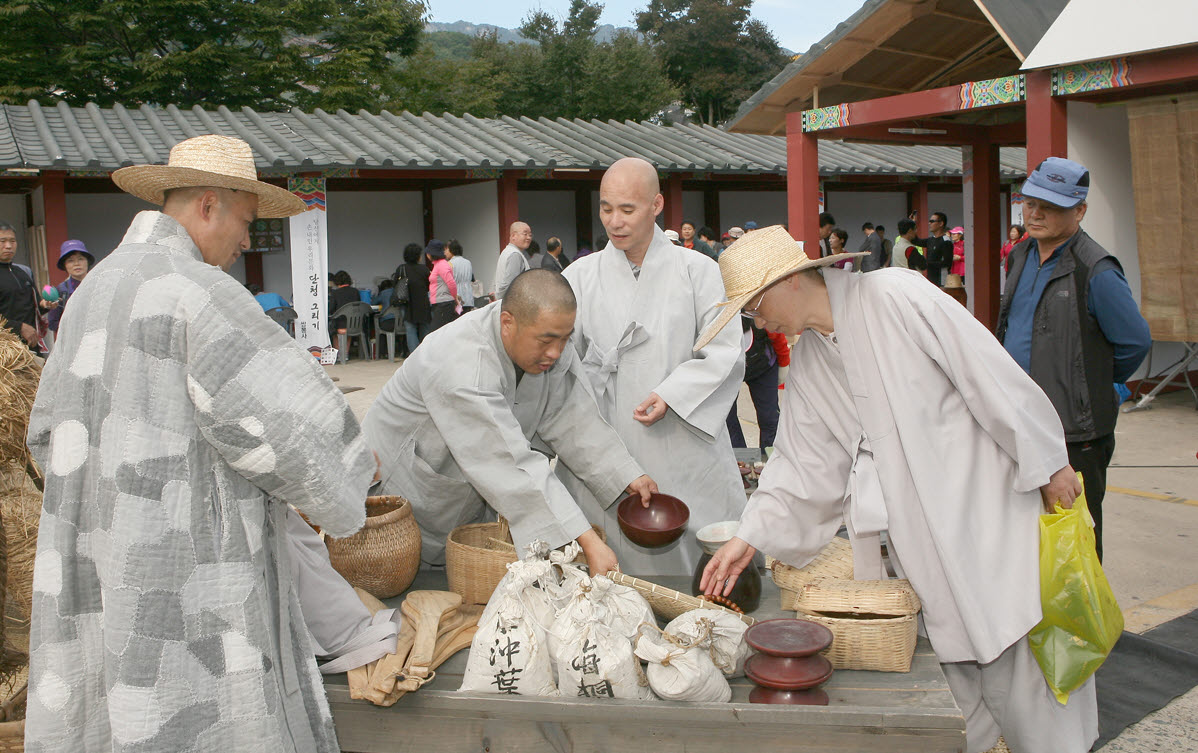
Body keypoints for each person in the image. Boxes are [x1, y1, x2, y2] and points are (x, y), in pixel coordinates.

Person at [25, 134, 376, 753]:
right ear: (209, 205)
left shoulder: (93, 292)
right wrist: (354, 469)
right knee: (198, 706)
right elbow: (291, 425)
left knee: (114, 700)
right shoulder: (200, 292)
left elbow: (46, 433)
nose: (247, 243)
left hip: (99, 546)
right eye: (246, 222)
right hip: (183, 561)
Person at [697, 225, 1097, 753]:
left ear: (788, 282)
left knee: (1023, 658)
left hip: (981, 513)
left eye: (754, 305)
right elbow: (802, 465)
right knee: (948, 670)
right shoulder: (813, 358)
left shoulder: (896, 295)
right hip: (916, 537)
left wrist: (1048, 465)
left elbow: (988, 375)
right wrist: (750, 536)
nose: (757, 320)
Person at [362, 269, 658, 574]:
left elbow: (572, 417)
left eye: (565, 339)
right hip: (401, 498)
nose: (556, 352)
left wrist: (624, 474)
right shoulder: (461, 361)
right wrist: (585, 541)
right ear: (508, 323)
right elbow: (507, 459)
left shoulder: (547, 341)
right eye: (547, 341)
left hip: (458, 501)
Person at [559, 157, 747, 576]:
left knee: (692, 537)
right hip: (607, 429)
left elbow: (725, 350)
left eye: (627, 209)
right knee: (607, 556)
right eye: (606, 208)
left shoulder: (699, 270)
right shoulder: (580, 275)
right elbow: (560, 360)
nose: (614, 221)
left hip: (677, 428)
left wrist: (671, 393)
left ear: (657, 204)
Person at [998, 157, 1152, 562]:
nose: (1036, 214)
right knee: (1025, 535)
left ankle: (1081, 626)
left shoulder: (1095, 269)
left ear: (1080, 210)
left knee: (1075, 542)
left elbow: (1134, 341)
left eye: (1050, 206)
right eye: (1031, 203)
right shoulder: (1019, 255)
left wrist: (1092, 383)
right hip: (1021, 421)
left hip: (1074, 431)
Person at [725, 315, 788, 454]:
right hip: (729, 371)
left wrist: (784, 364)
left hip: (764, 366)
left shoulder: (759, 317)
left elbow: (779, 338)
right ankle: (741, 462)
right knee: (728, 419)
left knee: (769, 417)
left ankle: (771, 457)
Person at [0, 221, 39, 348]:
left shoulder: (24, 271)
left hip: (30, 345)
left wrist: (47, 305)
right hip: (6, 351)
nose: (8, 246)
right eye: (3, 241)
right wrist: (19, 327)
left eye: (12, 241)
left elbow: (36, 306)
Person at [46, 239, 96, 334]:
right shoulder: (60, 291)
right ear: (65, 265)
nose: (76, 264)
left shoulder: (100, 285)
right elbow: (52, 323)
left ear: (87, 261)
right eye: (70, 260)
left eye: (80, 259)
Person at [397, 242, 431, 352]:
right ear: (417, 256)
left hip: (406, 304)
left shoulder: (401, 269)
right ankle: (424, 353)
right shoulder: (424, 269)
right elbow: (429, 286)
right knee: (425, 328)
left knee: (410, 329)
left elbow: (396, 286)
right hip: (422, 303)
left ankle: (414, 356)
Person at [425, 239, 459, 332]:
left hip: (444, 303)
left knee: (436, 332)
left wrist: (454, 297)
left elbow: (451, 283)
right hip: (440, 302)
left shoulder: (441, 265)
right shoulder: (438, 265)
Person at [494, 220, 533, 299]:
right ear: (513, 236)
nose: (528, 238)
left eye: (530, 235)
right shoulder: (515, 255)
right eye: (525, 234)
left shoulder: (507, 251)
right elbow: (508, 286)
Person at [914, 211, 954, 286]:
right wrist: (913, 224)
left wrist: (927, 263)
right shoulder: (931, 240)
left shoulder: (946, 241)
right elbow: (916, 241)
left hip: (941, 280)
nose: (929, 223)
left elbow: (947, 263)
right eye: (929, 221)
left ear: (941, 224)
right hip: (931, 278)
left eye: (932, 221)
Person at [445, 239, 476, 312]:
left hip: (456, 300)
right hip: (468, 299)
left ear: (451, 250)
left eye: (446, 250)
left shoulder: (449, 264)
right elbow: (472, 279)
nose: (445, 253)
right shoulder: (468, 262)